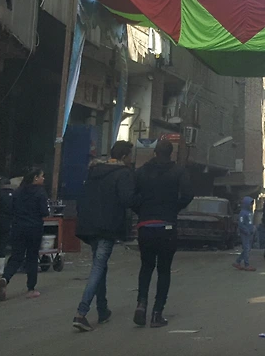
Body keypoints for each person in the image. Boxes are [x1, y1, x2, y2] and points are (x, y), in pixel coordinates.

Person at [72, 141, 136, 332]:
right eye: (130, 156)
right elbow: (127, 199)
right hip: (107, 226)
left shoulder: (94, 171)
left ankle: (102, 309)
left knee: (100, 266)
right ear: (124, 157)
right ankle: (81, 312)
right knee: (98, 266)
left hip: (89, 225)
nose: (131, 160)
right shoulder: (123, 174)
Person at [131, 140, 193, 328]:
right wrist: (174, 208)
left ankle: (141, 303)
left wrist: (142, 211)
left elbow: (131, 196)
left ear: (154, 152)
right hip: (167, 226)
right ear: (171, 153)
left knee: (146, 267)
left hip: (145, 226)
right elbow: (188, 194)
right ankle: (157, 314)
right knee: (164, 270)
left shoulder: (141, 172)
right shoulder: (179, 172)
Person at [0, 167, 48, 301]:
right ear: (35, 178)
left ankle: (5, 278)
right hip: (34, 229)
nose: (43, 179)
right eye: (42, 176)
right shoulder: (40, 192)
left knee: (16, 256)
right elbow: (44, 212)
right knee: (32, 257)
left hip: (18, 227)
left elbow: (11, 209)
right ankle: (31, 288)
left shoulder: (18, 191)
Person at [233, 197, 256, 272]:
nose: (251, 206)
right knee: (246, 248)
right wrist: (246, 231)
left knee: (247, 249)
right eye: (250, 204)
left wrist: (253, 228)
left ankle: (238, 262)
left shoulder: (250, 212)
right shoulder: (242, 213)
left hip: (250, 233)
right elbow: (241, 224)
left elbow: (250, 222)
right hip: (245, 233)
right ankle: (246, 265)